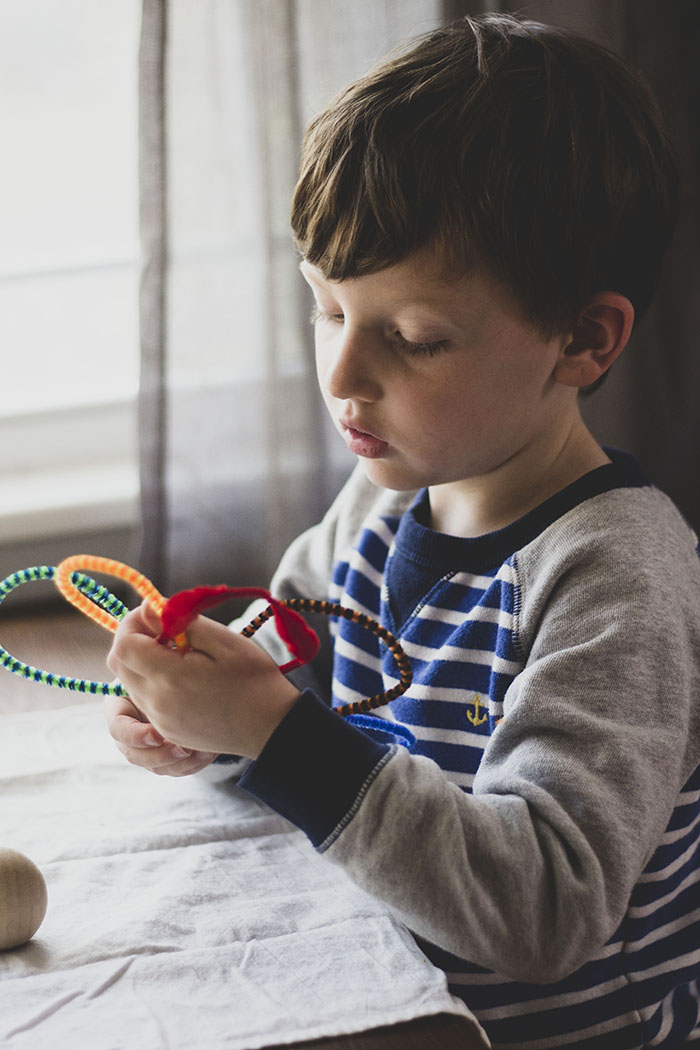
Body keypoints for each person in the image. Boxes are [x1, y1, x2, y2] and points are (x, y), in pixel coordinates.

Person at [105, 14, 700, 1048]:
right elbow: (297, 684)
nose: (340, 377)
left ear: (584, 339)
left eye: (413, 338)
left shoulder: (619, 578)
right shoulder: (382, 497)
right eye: (326, 309)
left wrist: (273, 734)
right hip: (379, 994)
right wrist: (206, 723)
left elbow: (544, 908)